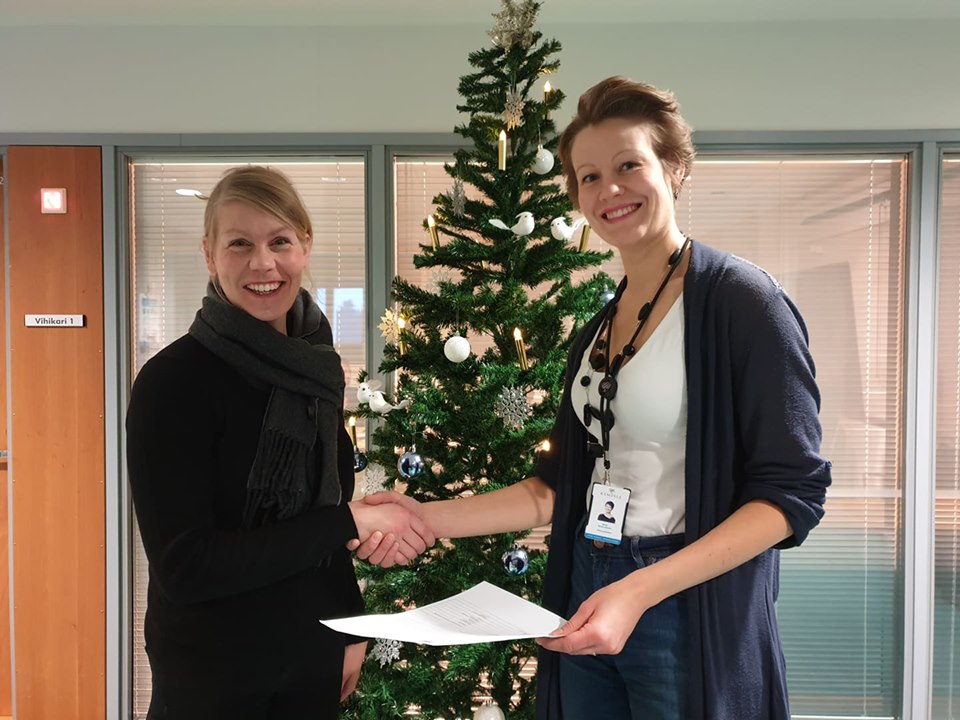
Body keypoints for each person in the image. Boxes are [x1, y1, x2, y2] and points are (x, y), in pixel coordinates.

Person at [355, 77, 831, 720]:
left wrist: (641, 590)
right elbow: (555, 488)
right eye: (589, 176)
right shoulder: (597, 332)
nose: (609, 190)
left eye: (628, 165)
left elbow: (791, 495)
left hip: (683, 602)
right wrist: (423, 516)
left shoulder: (743, 303)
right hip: (588, 577)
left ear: (674, 168)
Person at [127, 165, 434, 719]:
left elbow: (324, 510)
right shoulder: (173, 382)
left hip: (308, 656)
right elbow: (186, 568)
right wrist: (347, 522)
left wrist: (351, 622)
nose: (263, 263)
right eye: (239, 244)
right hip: (215, 675)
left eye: (279, 241)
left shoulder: (314, 370)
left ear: (305, 245)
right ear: (209, 254)